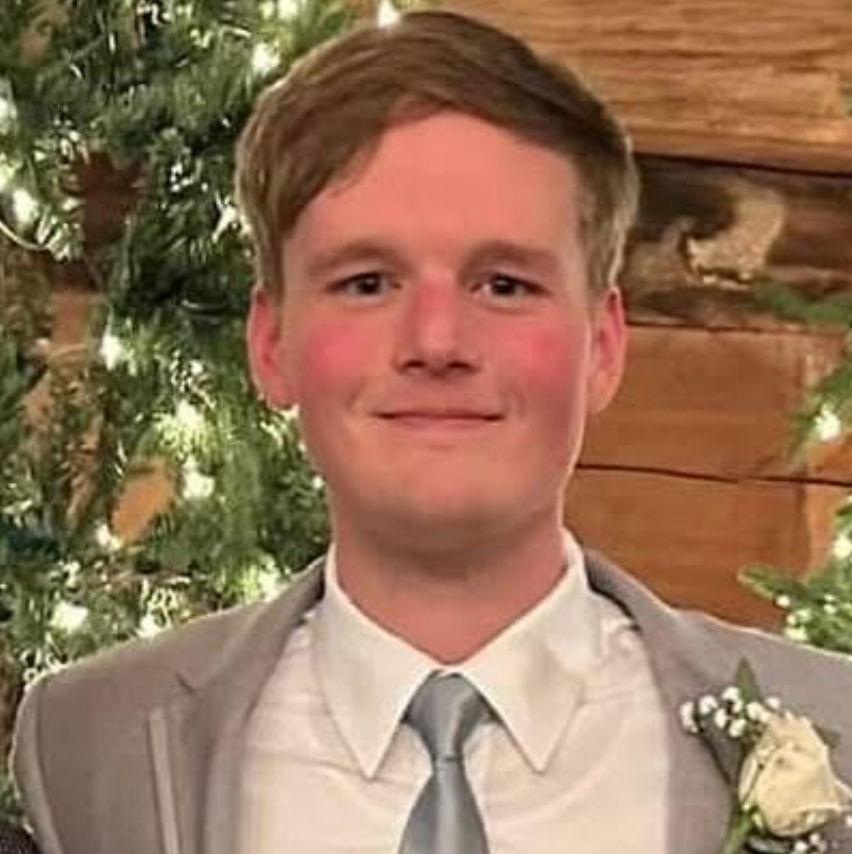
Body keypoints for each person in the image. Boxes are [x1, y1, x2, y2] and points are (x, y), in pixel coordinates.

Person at [10, 9, 852, 854]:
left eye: (505, 285)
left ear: (602, 346)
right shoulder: (92, 746)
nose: (438, 342)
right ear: (271, 345)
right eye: (368, 282)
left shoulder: (835, 730)